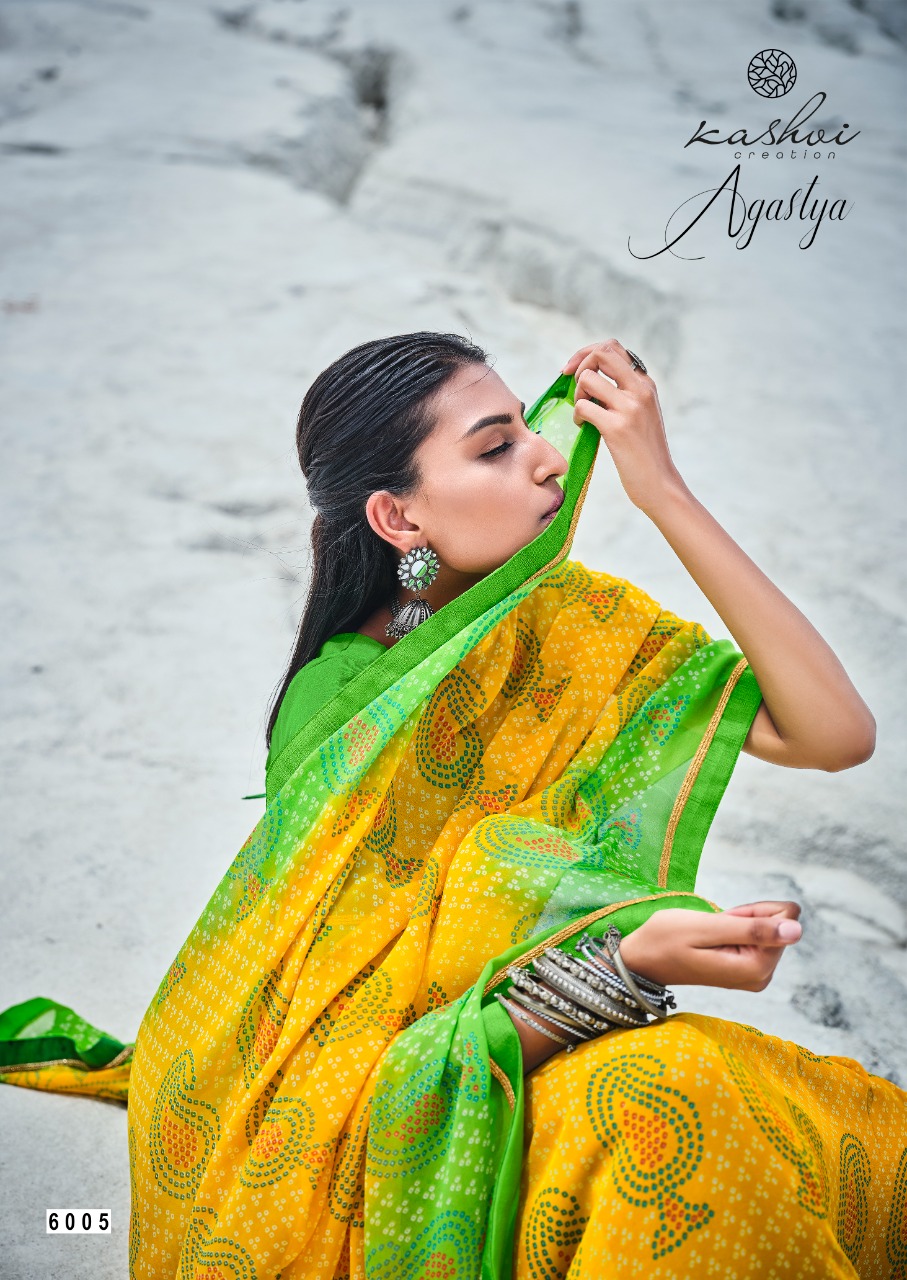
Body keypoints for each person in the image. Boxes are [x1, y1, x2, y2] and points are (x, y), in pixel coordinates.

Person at [1, 331, 904, 1279]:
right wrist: (619, 969)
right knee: (662, 1092)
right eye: (495, 447)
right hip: (393, 1148)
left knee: (687, 1093)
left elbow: (832, 734)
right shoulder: (352, 711)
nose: (548, 457)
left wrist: (664, 493)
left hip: (536, 1070)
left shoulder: (577, 623)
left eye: (527, 426)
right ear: (398, 517)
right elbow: (343, 1081)